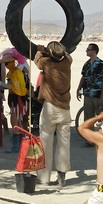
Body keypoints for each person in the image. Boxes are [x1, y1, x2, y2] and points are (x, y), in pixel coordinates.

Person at [34, 40, 72, 188]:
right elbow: (67, 55)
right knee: (64, 142)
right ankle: (61, 176)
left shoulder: (47, 63)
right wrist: (54, 51)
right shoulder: (67, 62)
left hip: (50, 106)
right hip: (65, 107)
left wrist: (40, 50)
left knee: (45, 141)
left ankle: (44, 177)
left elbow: (38, 61)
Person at [0, 49, 28, 152]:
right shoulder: (12, 72)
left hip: (17, 99)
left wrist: (2, 85)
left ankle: (16, 146)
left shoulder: (16, 73)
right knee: (17, 122)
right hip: (14, 99)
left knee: (15, 122)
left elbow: (14, 87)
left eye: (7, 63)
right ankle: (20, 145)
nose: (6, 65)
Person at [76, 43, 103, 126]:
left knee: (102, 119)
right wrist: (78, 89)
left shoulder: (101, 64)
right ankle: (88, 137)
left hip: (97, 95)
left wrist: (102, 96)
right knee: (88, 119)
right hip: (87, 95)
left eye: (88, 49)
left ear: (94, 51)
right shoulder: (86, 64)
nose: (86, 51)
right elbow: (83, 77)